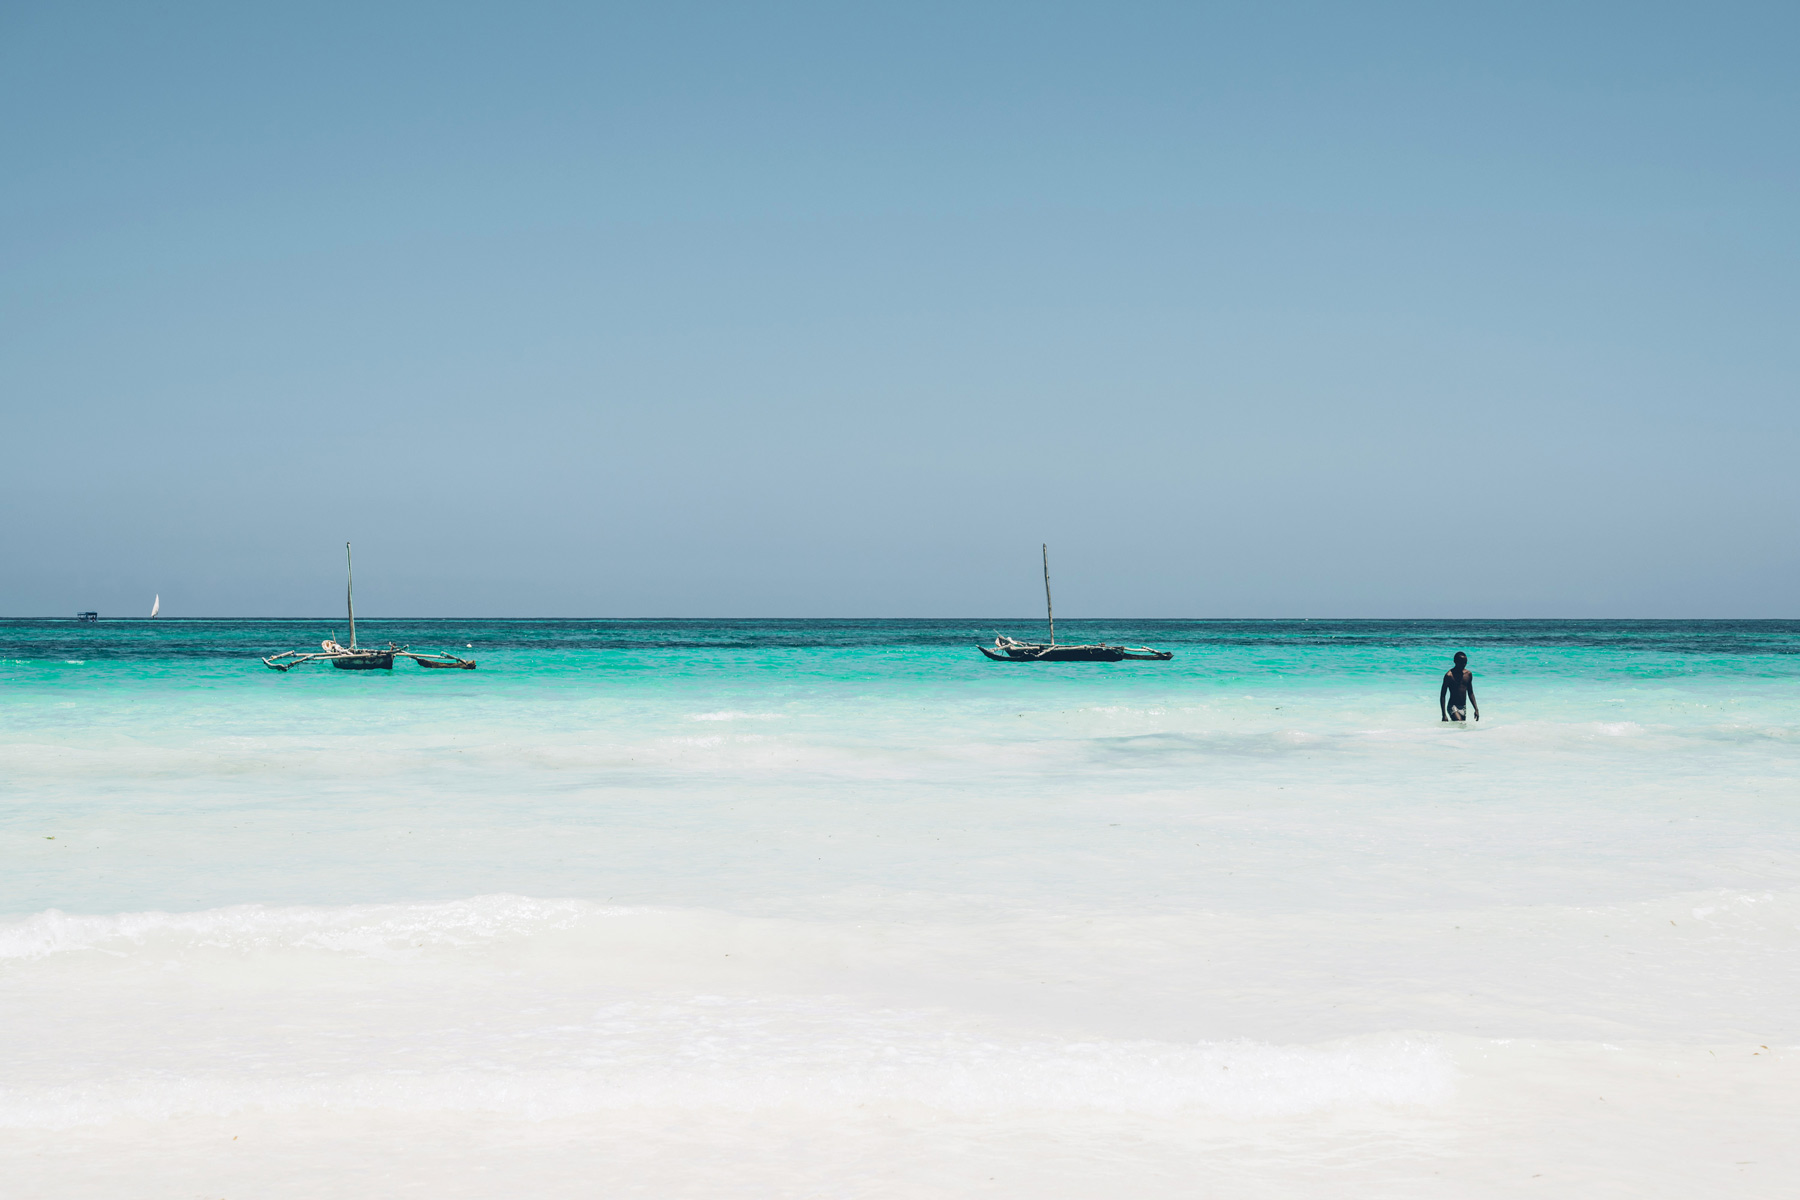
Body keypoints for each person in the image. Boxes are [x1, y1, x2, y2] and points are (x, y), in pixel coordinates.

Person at [1440, 652, 1479, 722]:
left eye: (1465, 662)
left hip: (1463, 707)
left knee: (1461, 728)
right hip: (1452, 706)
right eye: (1461, 662)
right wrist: (1444, 715)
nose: (1463, 665)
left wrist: (1476, 709)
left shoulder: (1468, 674)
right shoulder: (1449, 676)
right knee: (1460, 723)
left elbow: (1470, 693)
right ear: (1455, 661)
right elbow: (1443, 695)